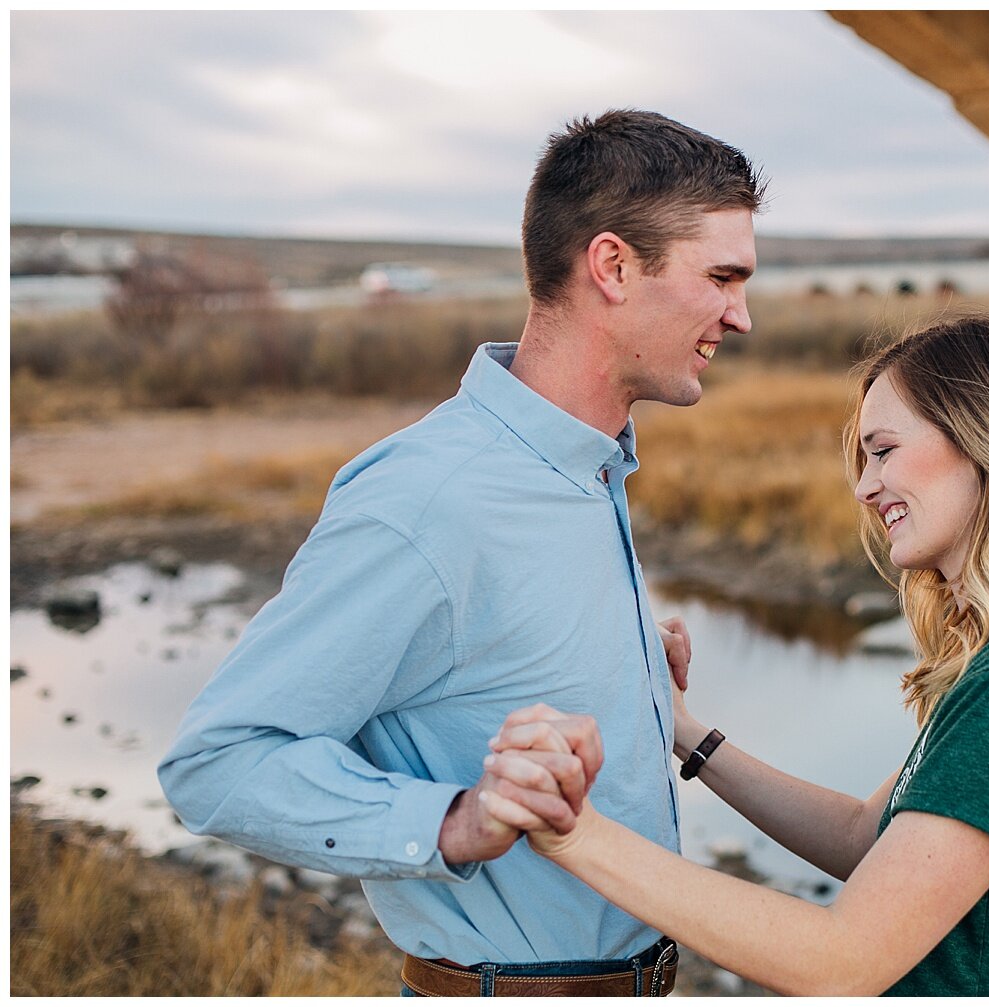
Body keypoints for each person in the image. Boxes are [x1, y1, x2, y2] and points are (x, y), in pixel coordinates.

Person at [157, 108, 765, 997]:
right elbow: (218, 760)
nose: (740, 315)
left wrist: (641, 695)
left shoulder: (589, 466)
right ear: (613, 266)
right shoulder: (427, 499)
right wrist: (453, 820)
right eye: (722, 276)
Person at [480, 314, 989, 996]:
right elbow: (867, 834)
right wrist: (683, 730)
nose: (865, 488)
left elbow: (841, 961)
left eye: (885, 449)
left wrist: (578, 837)